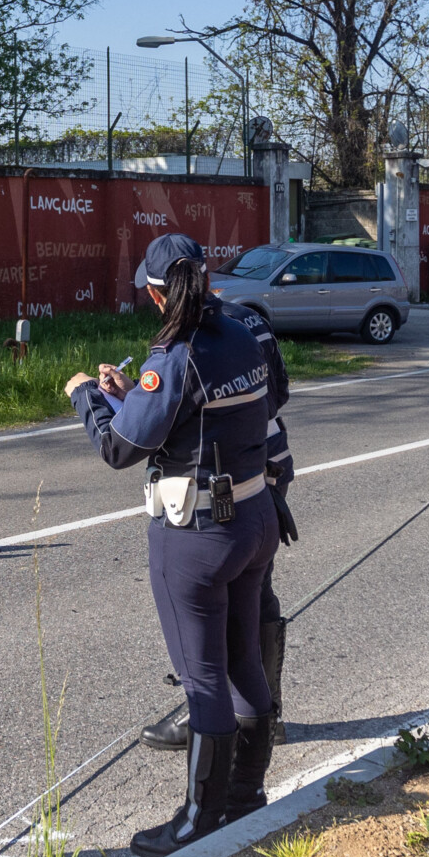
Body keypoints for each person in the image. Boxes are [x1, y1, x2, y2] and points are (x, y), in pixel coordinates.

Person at [69, 233, 284, 856]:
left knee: (202, 676)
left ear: (158, 292)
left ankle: (199, 816)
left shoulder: (174, 353)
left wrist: (88, 395)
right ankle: (246, 794)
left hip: (196, 535)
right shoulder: (243, 332)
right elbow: (212, 414)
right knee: (244, 658)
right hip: (254, 517)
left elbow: (118, 448)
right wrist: (130, 393)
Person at [142, 245, 300, 753]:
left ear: (158, 289)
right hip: (264, 464)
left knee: (226, 608)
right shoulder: (245, 323)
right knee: (249, 595)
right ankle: (258, 714)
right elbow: (277, 392)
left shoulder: (190, 341)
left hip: (236, 477)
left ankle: (217, 716)